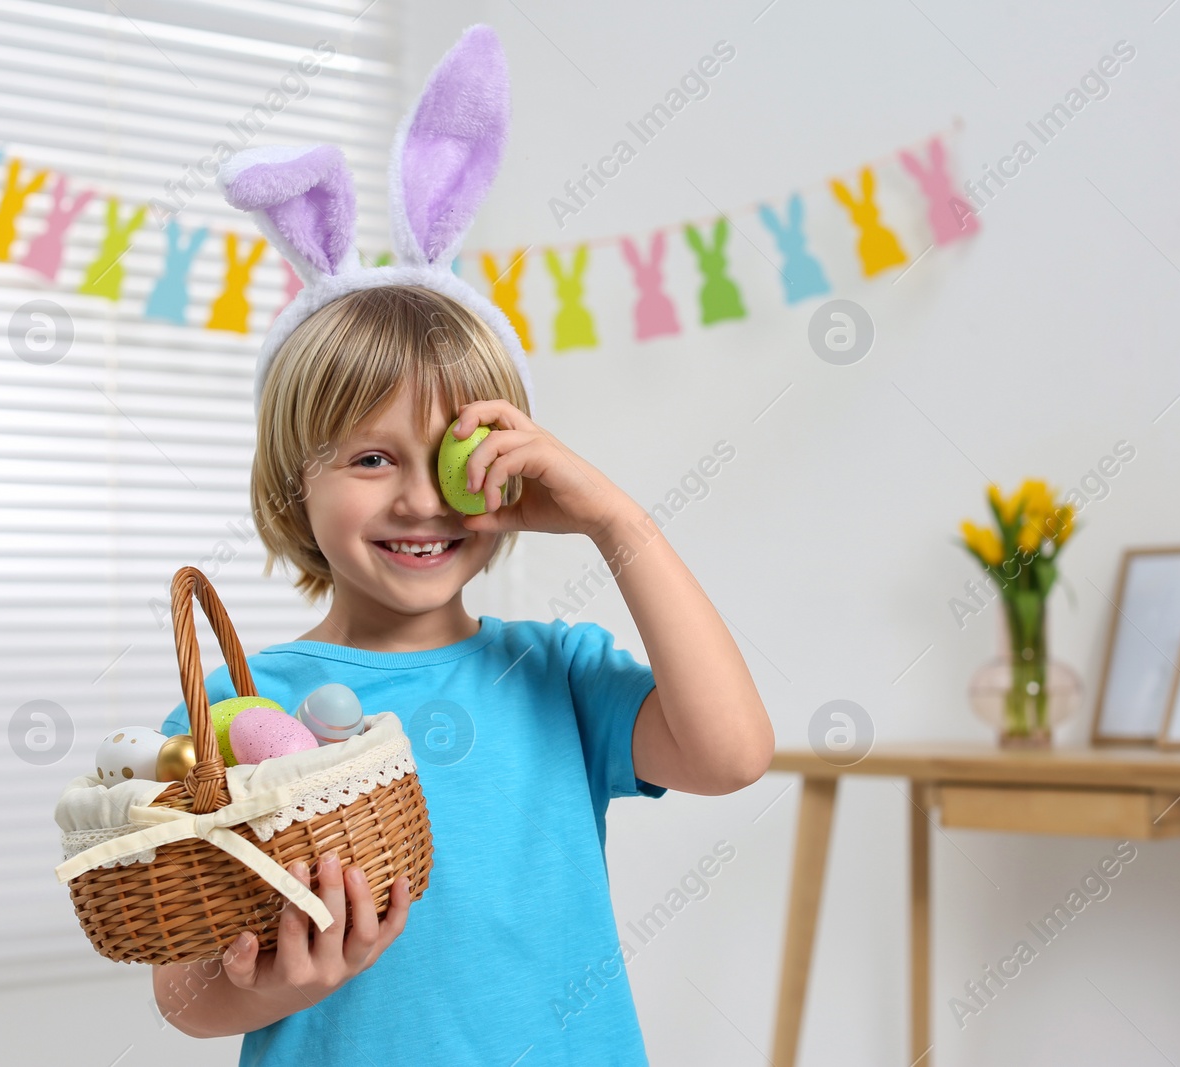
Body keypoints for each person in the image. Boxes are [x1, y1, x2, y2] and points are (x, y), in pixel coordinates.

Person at [147, 27, 771, 1064]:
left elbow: (732, 753)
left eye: (453, 454)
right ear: (293, 485)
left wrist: (620, 520)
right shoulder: (233, 707)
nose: (418, 500)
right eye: (370, 459)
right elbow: (184, 993)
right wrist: (265, 985)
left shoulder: (554, 673)